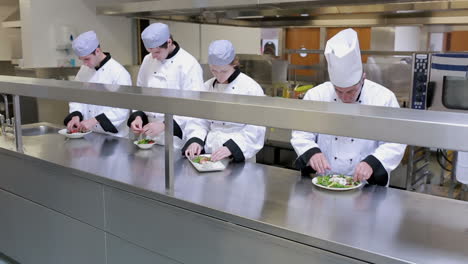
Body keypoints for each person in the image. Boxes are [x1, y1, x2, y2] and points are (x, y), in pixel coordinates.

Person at [290, 28, 406, 186]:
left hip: (365, 186)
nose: (344, 98)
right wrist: (312, 152)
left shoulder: (383, 98)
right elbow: (301, 133)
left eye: (351, 91)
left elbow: (396, 141)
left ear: (363, 78)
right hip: (324, 180)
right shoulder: (316, 95)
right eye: (338, 91)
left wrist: (373, 162)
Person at [183, 40, 266, 162]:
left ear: (234, 64)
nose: (219, 77)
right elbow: (198, 120)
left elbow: (256, 129)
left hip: (238, 157)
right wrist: (195, 140)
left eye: (224, 71)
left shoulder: (251, 88)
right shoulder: (207, 87)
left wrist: (231, 148)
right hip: (210, 154)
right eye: (214, 71)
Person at [127, 23, 206, 147]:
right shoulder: (148, 60)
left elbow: (193, 106)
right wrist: (138, 116)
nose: (153, 56)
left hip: (175, 137)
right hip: (149, 136)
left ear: (169, 42)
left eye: (157, 52)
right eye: (150, 51)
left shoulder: (188, 64)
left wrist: (165, 125)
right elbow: (140, 93)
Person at [64, 31, 131, 138]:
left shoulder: (118, 72)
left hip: (113, 137)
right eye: (82, 60)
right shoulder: (84, 70)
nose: (85, 64)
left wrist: (95, 120)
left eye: (87, 59)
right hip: (88, 133)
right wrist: (76, 115)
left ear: (97, 51)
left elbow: (122, 109)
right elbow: (77, 96)